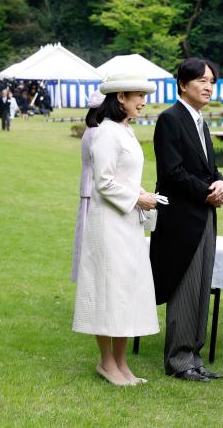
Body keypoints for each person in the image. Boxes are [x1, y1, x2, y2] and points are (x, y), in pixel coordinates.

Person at [72, 74, 160, 386]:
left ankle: (122, 363)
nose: (144, 101)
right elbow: (104, 182)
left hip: (128, 221)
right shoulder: (106, 133)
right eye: (138, 95)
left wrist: (143, 193)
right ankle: (107, 362)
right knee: (109, 286)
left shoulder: (126, 130)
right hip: (109, 223)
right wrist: (138, 197)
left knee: (128, 288)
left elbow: (124, 177)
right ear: (120, 96)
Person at [149, 58, 223, 382]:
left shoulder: (200, 122)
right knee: (185, 286)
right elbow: (172, 171)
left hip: (203, 216)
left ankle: (195, 356)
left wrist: (220, 181)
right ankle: (179, 359)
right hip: (181, 218)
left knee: (201, 287)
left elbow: (207, 167)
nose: (208, 87)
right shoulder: (170, 119)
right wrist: (207, 192)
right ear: (183, 84)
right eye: (202, 81)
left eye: (212, 81)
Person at [71, 90, 105, 283]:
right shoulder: (97, 133)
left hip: (89, 189)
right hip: (93, 191)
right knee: (90, 243)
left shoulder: (90, 131)